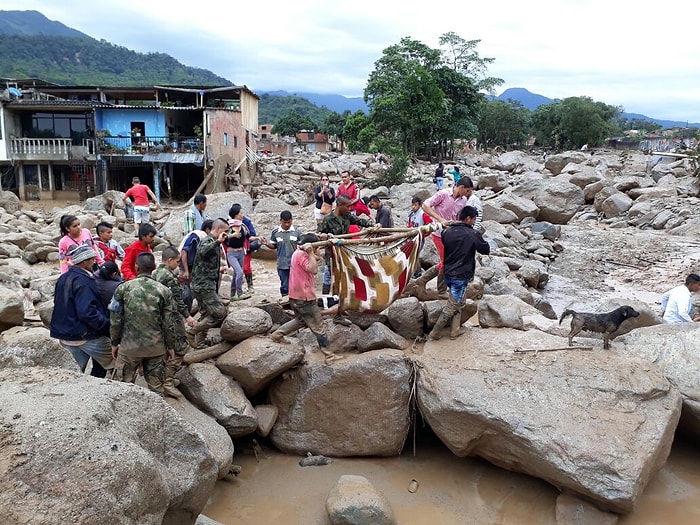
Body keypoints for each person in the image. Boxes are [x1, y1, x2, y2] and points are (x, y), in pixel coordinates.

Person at [269, 233, 344, 364]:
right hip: (304, 297)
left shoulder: (298, 251)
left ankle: (277, 334)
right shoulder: (302, 255)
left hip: (296, 296)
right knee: (318, 326)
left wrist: (315, 250)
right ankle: (329, 355)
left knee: (300, 320)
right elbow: (314, 269)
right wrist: (310, 253)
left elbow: (318, 259)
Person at [109, 252, 176, 397]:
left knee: (121, 389)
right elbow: (168, 323)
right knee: (157, 390)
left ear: (136, 267)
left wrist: (114, 342)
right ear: (154, 267)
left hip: (129, 348)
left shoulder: (123, 288)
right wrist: (170, 346)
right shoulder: (164, 291)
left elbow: (115, 320)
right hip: (156, 348)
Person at [50, 245, 113, 377]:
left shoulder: (63, 278)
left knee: (73, 374)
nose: (95, 262)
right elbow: (87, 312)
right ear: (84, 262)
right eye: (92, 259)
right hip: (84, 335)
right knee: (115, 360)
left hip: (65, 334)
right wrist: (107, 325)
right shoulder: (84, 281)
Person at [429, 206, 490, 340]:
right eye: (473, 219)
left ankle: (454, 330)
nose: (474, 222)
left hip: (448, 273)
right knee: (452, 305)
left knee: (459, 301)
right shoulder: (472, 234)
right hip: (460, 275)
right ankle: (434, 333)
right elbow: (486, 249)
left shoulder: (447, 232)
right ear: (468, 218)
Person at [153, 246, 196, 398]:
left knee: (164, 347)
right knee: (180, 348)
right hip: (171, 317)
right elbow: (177, 300)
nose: (178, 265)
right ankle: (167, 381)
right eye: (177, 262)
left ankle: (162, 376)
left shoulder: (154, 273)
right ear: (169, 260)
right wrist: (188, 316)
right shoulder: (169, 278)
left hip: (157, 317)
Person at [318, 194, 376, 295]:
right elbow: (318, 233)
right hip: (332, 254)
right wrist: (323, 235)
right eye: (347, 206)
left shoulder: (347, 216)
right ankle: (325, 298)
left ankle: (344, 297)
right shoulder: (328, 219)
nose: (349, 209)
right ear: (339, 205)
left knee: (346, 275)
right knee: (328, 275)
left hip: (345, 253)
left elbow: (360, 221)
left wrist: (374, 224)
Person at [188, 218, 230, 349]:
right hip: (203, 286)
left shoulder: (214, 242)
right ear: (217, 230)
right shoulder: (209, 240)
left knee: (207, 313)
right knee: (220, 313)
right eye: (224, 232)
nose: (225, 235)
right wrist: (218, 241)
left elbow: (205, 262)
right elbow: (202, 251)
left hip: (205, 284)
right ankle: (191, 331)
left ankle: (200, 343)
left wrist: (218, 269)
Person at [178, 219, 214, 312]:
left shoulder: (204, 238)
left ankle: (191, 310)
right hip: (185, 264)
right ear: (207, 230)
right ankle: (184, 312)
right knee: (184, 290)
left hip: (193, 265)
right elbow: (184, 251)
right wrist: (186, 270)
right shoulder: (197, 236)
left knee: (193, 289)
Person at [265, 210, 302, 297]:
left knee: (296, 285)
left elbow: (301, 247)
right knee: (284, 286)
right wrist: (266, 243)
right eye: (285, 222)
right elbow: (274, 246)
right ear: (280, 221)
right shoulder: (275, 232)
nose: (287, 224)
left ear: (292, 220)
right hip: (282, 264)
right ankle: (286, 304)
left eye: (289, 222)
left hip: (295, 264)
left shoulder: (297, 232)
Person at [228, 203, 261, 294]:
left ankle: (241, 290)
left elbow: (250, 235)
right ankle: (239, 293)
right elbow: (223, 237)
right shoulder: (228, 226)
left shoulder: (244, 224)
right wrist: (233, 235)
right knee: (239, 271)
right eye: (241, 213)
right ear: (236, 214)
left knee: (242, 270)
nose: (242, 214)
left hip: (244, 249)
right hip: (232, 252)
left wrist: (257, 238)